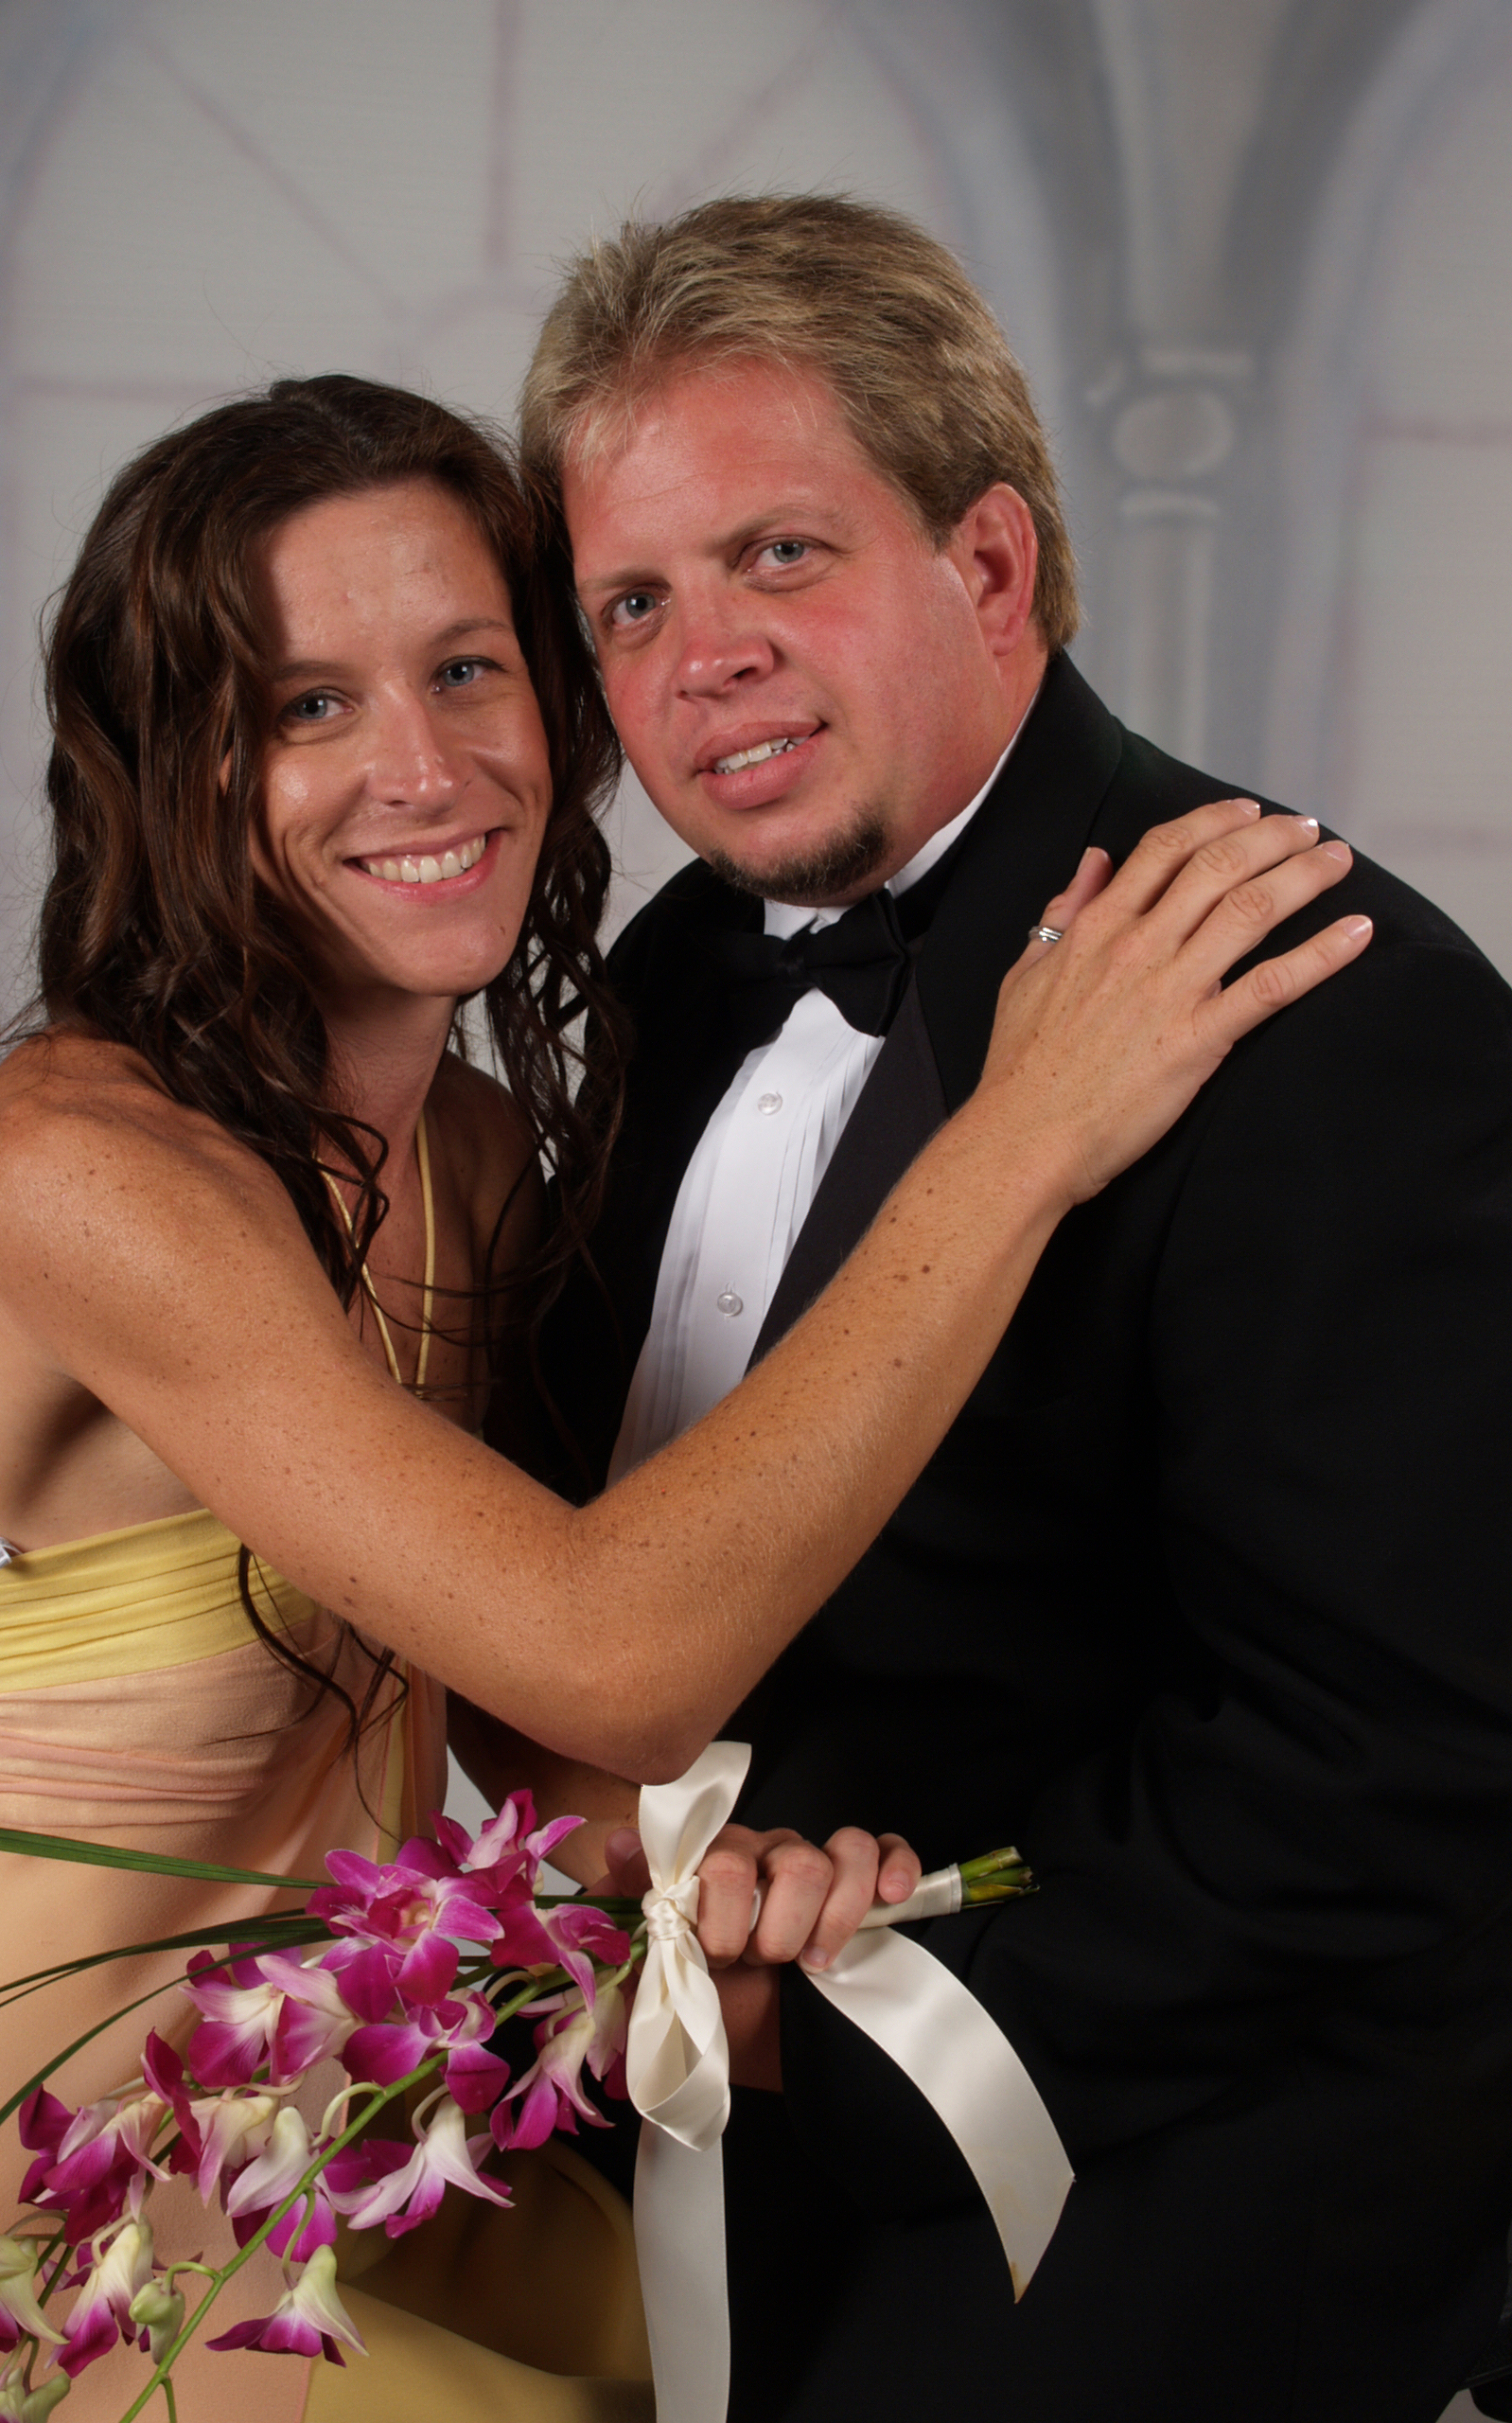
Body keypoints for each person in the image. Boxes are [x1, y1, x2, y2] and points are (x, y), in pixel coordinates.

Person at [0, 372, 1358, 2423]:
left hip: (338, 2136)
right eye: (308, 703)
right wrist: (1028, 1131)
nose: (422, 766)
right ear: (176, 765)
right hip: (19, 2239)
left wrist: (730, 1874)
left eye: (468, 668)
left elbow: (490, 1718)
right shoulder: (86, 1185)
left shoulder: (476, 1155)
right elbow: (618, 1655)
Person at [518, 192, 1512, 2423]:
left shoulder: (1323, 1004)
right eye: (633, 603)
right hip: (691, 2023)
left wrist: (840, 2033)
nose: (702, 656)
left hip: (1163, 2096)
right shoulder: (676, 973)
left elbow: (1389, 1771)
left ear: (988, 563)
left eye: (780, 554)